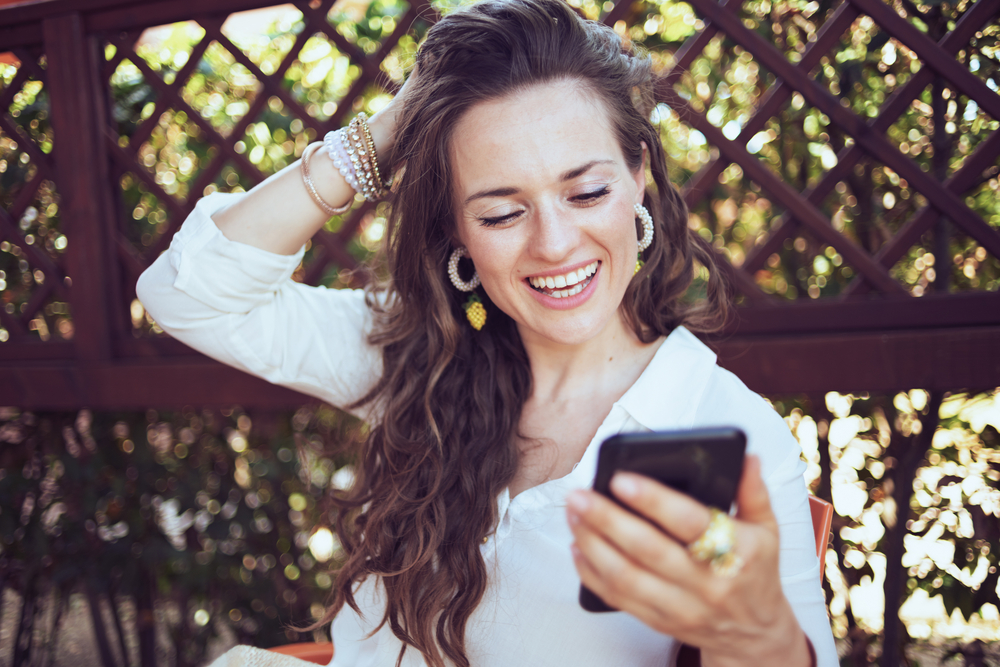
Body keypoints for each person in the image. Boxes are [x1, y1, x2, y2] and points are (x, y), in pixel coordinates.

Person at [137, 0, 837, 665]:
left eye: (587, 192)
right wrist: (389, 132)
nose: (556, 243)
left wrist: (757, 628)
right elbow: (189, 295)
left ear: (639, 178)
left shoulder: (721, 427)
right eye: (502, 213)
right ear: (458, 236)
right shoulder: (417, 353)